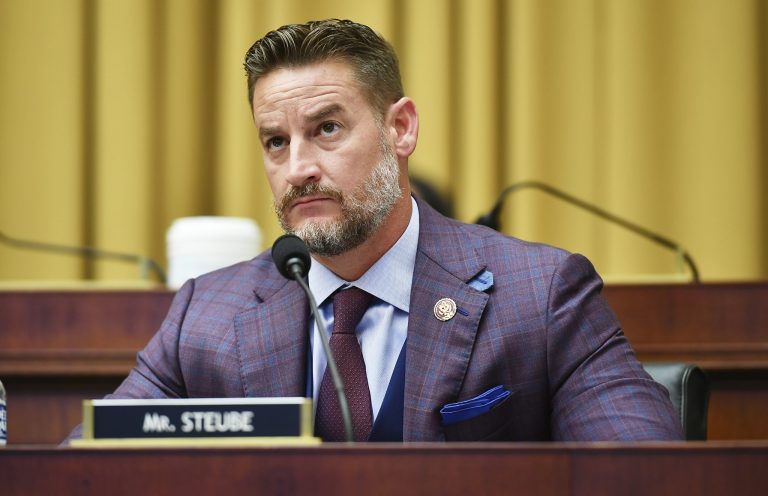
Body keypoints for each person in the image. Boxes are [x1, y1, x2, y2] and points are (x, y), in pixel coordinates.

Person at [66, 19, 681, 443]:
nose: (298, 167)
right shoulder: (208, 315)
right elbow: (81, 475)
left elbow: (643, 473)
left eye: (327, 128)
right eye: (275, 142)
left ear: (401, 129)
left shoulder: (541, 294)